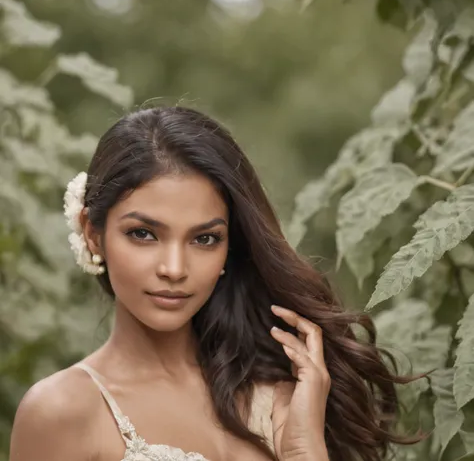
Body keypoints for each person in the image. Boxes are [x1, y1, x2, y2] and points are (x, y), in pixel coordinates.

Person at [9, 106, 422, 461]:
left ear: (229, 248)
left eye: (204, 239)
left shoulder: (281, 399)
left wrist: (304, 451)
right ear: (92, 232)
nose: (174, 268)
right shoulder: (63, 410)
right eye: (143, 234)